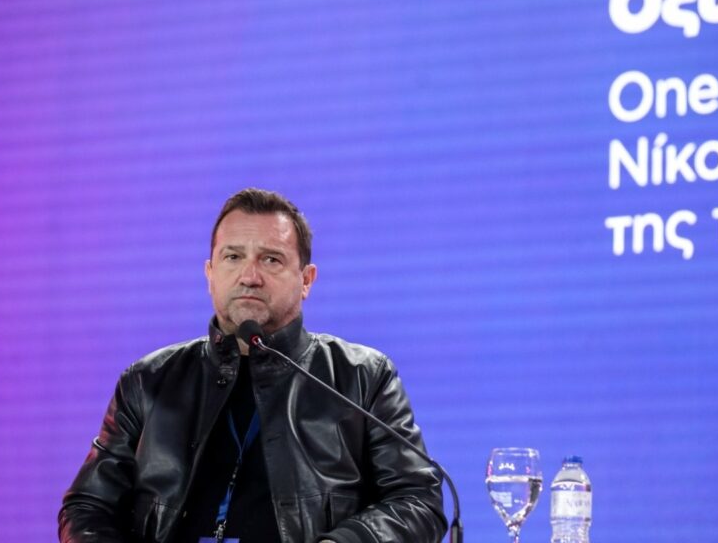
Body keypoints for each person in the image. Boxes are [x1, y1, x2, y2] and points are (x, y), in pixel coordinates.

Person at [59, 189, 447, 543]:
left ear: (306, 280)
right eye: (233, 257)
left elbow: (417, 501)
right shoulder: (148, 381)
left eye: (271, 259)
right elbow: (87, 508)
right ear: (210, 274)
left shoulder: (362, 376)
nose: (249, 276)